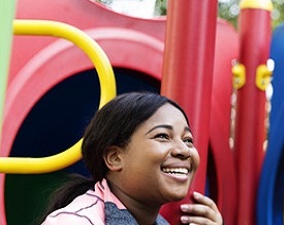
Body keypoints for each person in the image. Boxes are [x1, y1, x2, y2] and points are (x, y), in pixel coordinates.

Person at [40, 92, 223, 225]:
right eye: (162, 136)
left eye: (188, 140)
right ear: (114, 157)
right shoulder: (75, 221)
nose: (184, 150)